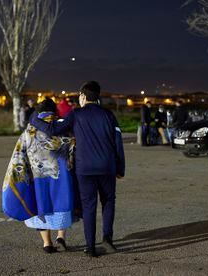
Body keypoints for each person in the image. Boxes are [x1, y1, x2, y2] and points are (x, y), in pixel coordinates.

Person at [30, 81, 125, 258]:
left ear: (82, 96)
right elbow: (117, 142)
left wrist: (35, 119)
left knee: (89, 206)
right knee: (108, 202)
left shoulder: (76, 114)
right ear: (98, 96)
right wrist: (120, 168)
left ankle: (90, 247)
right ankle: (107, 239)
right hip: (107, 167)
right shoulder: (109, 115)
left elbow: (53, 130)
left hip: (85, 168)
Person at [2, 98, 78, 254]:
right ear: (54, 111)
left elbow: (19, 155)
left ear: (38, 112)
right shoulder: (63, 129)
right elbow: (73, 151)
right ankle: (61, 237)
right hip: (61, 179)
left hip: (38, 180)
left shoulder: (29, 131)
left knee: (40, 206)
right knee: (62, 206)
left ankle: (47, 243)